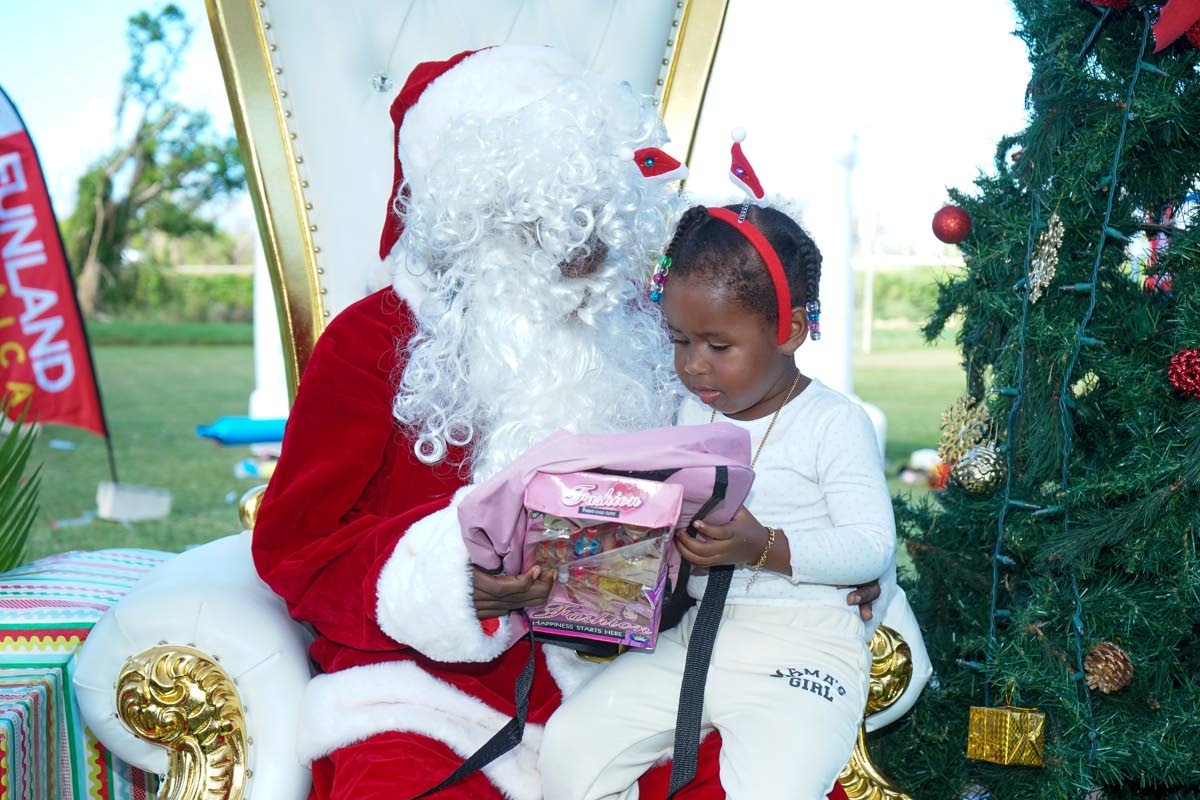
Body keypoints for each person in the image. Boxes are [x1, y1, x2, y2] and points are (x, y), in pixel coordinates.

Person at [251, 46, 878, 799]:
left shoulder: (660, 334)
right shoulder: (372, 341)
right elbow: (298, 549)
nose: (587, 257)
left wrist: (818, 568)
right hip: (430, 695)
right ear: (478, 222)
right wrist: (462, 585)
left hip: (644, 673)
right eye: (551, 227)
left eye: (600, 221)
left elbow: (779, 462)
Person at [540, 192, 898, 800]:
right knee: (570, 746)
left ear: (788, 330)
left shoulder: (834, 422)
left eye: (718, 346)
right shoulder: (687, 412)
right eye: (680, 341)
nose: (695, 367)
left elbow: (871, 546)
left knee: (776, 788)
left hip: (804, 648)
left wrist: (766, 547)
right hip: (697, 639)